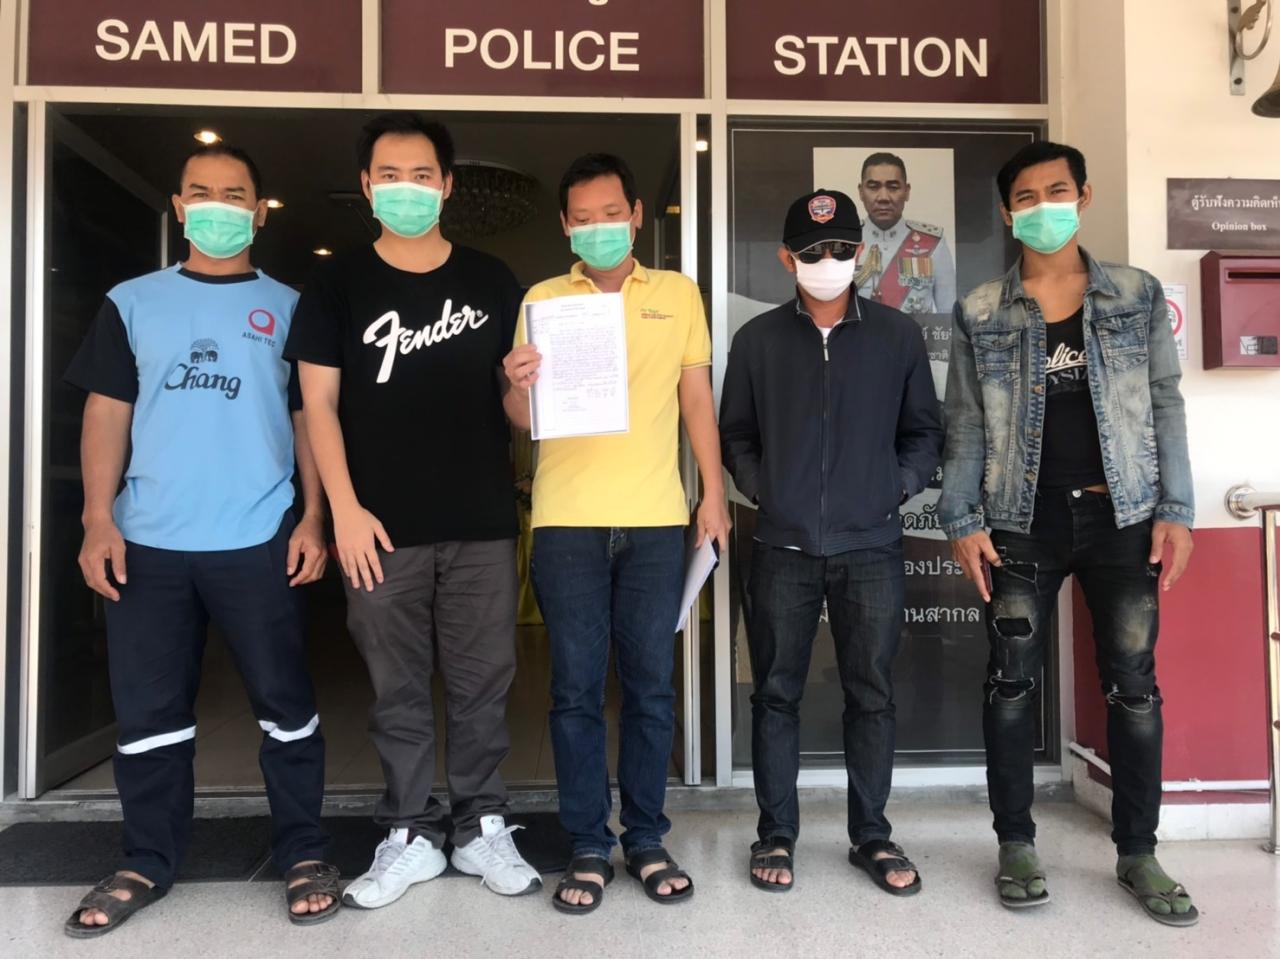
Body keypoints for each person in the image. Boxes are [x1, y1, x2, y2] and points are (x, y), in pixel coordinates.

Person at [63, 144, 337, 936]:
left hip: (258, 533)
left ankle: (305, 850)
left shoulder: (291, 306)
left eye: (235, 193)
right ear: (180, 207)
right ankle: (146, 859)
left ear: (258, 210)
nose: (218, 205)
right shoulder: (131, 302)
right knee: (150, 713)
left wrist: (313, 517)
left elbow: (308, 418)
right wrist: (97, 517)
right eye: (202, 192)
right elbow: (107, 410)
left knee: (286, 706)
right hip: (147, 538)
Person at [284, 113, 540, 908]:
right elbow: (317, 407)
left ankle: (480, 824)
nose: (407, 189)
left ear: (447, 185)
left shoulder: (492, 280)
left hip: (481, 521)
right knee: (395, 687)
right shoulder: (336, 284)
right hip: (378, 527)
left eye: (422, 175)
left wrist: (524, 386)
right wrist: (342, 511)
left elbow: (519, 414)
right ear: (366, 186)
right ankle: (409, 830)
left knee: (482, 682)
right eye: (390, 175)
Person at [939, 141, 1197, 926]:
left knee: (1134, 686)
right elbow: (965, 422)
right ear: (1007, 211)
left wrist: (1177, 508)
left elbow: (1166, 399)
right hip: (1021, 520)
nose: (1043, 206)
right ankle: (1015, 843)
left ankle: (1138, 850)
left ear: (1083, 197)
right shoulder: (981, 309)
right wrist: (961, 519)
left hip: (1125, 517)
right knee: (1011, 683)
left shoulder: (1135, 294)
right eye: (1026, 196)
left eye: (1057, 191)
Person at [502, 153, 730, 915]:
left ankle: (646, 835)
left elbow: (695, 399)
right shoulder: (543, 299)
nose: (598, 227)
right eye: (582, 218)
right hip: (566, 519)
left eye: (611, 214)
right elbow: (524, 419)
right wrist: (516, 383)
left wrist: (713, 494)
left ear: (635, 215)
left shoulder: (677, 294)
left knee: (650, 686)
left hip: (656, 518)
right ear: (565, 225)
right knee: (573, 688)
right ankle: (587, 842)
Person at [720, 189, 942, 896]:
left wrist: (893, 486)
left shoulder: (896, 336)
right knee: (775, 694)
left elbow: (924, 432)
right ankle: (775, 834)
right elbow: (736, 434)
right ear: (787, 258)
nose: (829, 261)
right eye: (813, 251)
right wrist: (767, 490)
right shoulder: (756, 341)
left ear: (860, 254)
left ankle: (871, 834)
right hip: (782, 545)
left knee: (871, 693)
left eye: (842, 248)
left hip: (871, 544)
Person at [855, 152, 957, 314]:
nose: (883, 197)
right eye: (873, 187)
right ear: (861, 191)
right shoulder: (846, 242)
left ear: (907, 191)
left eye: (893, 187)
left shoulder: (932, 243)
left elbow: (948, 313)